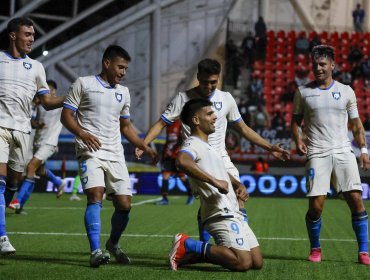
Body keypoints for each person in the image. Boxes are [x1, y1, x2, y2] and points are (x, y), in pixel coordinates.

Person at [136, 58, 290, 241]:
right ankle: (211, 246)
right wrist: (143, 144)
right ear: (198, 77)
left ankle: (237, 242)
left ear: (219, 79)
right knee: (212, 201)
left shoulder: (226, 98)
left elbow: (243, 128)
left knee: (239, 196)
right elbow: (162, 123)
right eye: (205, 82)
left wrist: (270, 147)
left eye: (213, 82)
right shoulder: (183, 99)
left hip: (222, 157)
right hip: (198, 159)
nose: (209, 87)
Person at [61, 45, 158, 268]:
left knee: (124, 205)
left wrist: (146, 146)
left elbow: (126, 126)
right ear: (107, 63)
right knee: (95, 195)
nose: (123, 72)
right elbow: (66, 116)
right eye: (120, 67)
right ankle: (95, 250)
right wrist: (82, 133)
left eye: (126, 68)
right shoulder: (83, 83)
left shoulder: (123, 92)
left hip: (115, 154)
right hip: (90, 151)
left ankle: (112, 244)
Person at [291, 45, 370, 265]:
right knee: (316, 205)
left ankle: (363, 252)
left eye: (323, 64)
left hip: (344, 151)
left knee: (356, 200)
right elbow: (295, 122)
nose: (318, 68)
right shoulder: (303, 92)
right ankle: (316, 248)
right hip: (317, 152)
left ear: (332, 65)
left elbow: (356, 125)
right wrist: (298, 140)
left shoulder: (346, 91)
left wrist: (363, 151)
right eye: (315, 65)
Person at [169, 99, 263, 271]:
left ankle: (194, 255)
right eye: (210, 114)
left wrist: (237, 184)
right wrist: (213, 181)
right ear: (196, 120)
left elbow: (221, 172)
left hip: (233, 211)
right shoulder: (192, 143)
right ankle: (186, 243)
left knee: (257, 262)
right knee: (243, 263)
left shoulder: (209, 146)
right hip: (218, 211)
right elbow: (182, 161)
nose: (215, 117)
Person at [0, 17, 65, 255]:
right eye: (27, 34)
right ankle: (2, 236)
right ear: (13, 35)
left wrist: (72, 97)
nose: (32, 38)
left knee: (14, 181)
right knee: (0, 180)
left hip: (23, 132)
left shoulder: (37, 67)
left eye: (33, 35)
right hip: (0, 128)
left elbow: (47, 102)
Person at [9, 80, 65, 214]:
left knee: (31, 167)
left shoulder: (60, 105)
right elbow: (33, 123)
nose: (46, 93)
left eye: (48, 90)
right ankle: (58, 182)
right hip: (37, 143)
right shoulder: (40, 106)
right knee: (38, 171)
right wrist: (37, 124)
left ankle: (17, 201)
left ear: (54, 91)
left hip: (49, 143)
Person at [156, 119, 194, 205]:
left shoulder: (180, 123)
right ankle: (164, 199)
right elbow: (168, 141)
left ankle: (191, 194)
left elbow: (183, 140)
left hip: (177, 156)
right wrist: (163, 155)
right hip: (168, 156)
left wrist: (174, 151)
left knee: (182, 176)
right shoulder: (168, 125)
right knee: (165, 175)